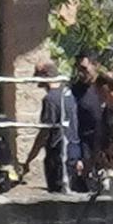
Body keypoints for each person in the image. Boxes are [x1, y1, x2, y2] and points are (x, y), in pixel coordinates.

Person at [25, 58, 80, 192]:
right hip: (73, 150)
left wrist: (30, 158)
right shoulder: (69, 93)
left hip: (57, 154)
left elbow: (45, 132)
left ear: (45, 76)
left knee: (57, 196)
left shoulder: (50, 99)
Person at [70, 51, 103, 192]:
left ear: (95, 65)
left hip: (106, 143)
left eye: (84, 68)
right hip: (86, 144)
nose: (81, 73)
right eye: (78, 69)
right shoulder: (75, 90)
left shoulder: (105, 87)